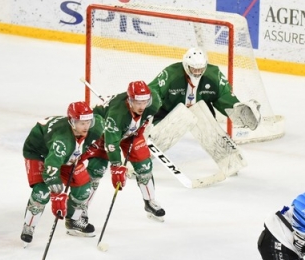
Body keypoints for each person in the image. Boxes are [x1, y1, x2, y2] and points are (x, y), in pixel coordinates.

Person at [145, 47, 261, 179]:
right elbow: (154, 90)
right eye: (194, 69)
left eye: (200, 69)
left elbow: (223, 95)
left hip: (200, 109)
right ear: (186, 65)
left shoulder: (213, 74)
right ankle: (140, 162)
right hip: (170, 110)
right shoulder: (171, 73)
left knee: (212, 133)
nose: (197, 72)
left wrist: (235, 107)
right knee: (159, 135)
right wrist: (149, 109)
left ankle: (230, 162)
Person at [20, 102, 104, 243]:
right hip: (39, 152)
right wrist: (57, 196)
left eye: (88, 122)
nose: (86, 126)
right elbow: (50, 173)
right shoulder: (62, 142)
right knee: (42, 192)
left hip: (66, 154)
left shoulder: (97, 125)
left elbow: (110, 133)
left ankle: (74, 220)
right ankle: (29, 226)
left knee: (84, 188)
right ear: (72, 122)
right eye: (81, 123)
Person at [88, 81, 165, 221]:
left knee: (144, 166)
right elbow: (111, 144)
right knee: (96, 171)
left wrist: (140, 127)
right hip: (103, 134)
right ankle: (77, 214)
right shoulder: (116, 115)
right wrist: (117, 167)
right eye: (138, 102)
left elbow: (148, 117)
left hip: (130, 133)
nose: (142, 106)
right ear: (129, 100)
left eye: (145, 102)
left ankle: (150, 201)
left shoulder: (154, 102)